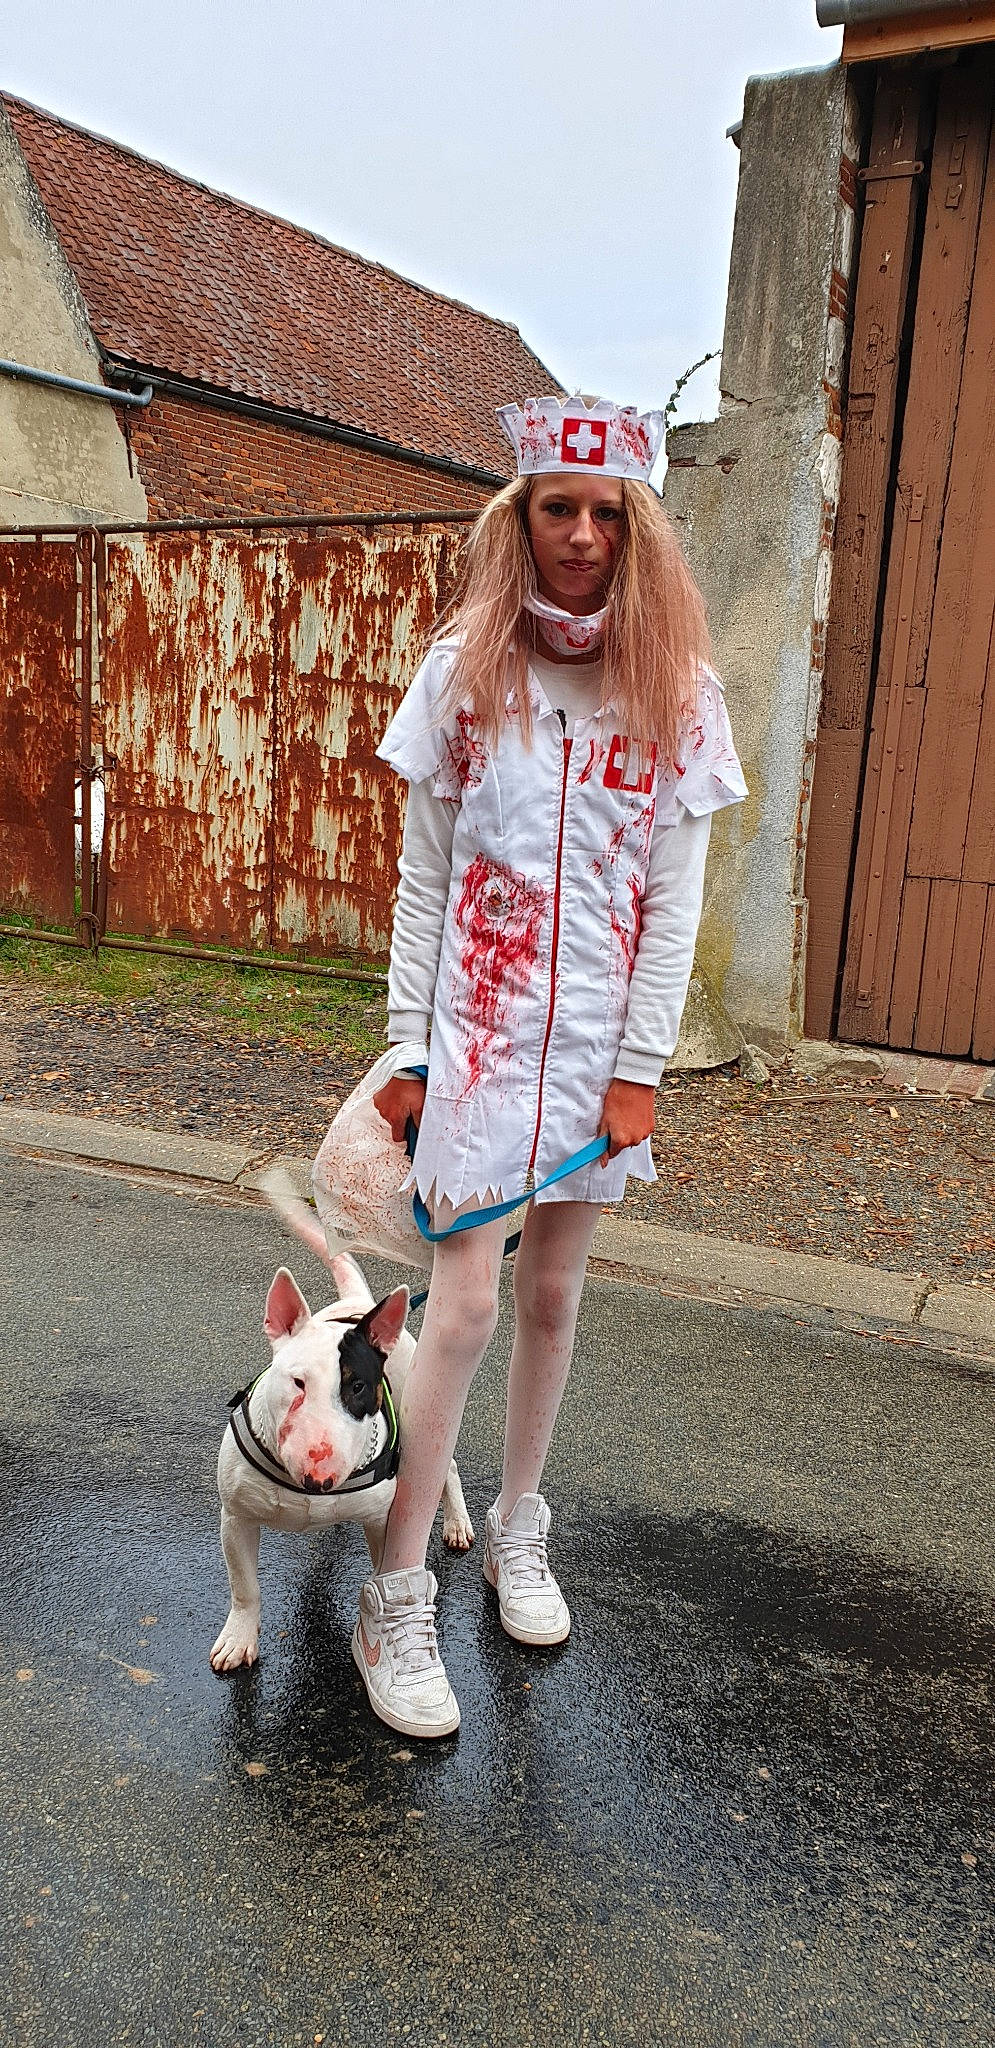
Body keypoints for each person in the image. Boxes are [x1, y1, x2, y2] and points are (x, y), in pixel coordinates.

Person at [351, 394, 747, 1738]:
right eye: (555, 507)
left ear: (637, 528)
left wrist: (640, 1066)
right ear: (518, 517)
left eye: (605, 512)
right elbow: (422, 882)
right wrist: (407, 1050)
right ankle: (394, 1588)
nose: (579, 534)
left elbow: (675, 898)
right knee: (460, 1309)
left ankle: (520, 1525)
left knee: (557, 1294)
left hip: (593, 1057)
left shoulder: (675, 686)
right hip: (473, 1040)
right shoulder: (463, 669)